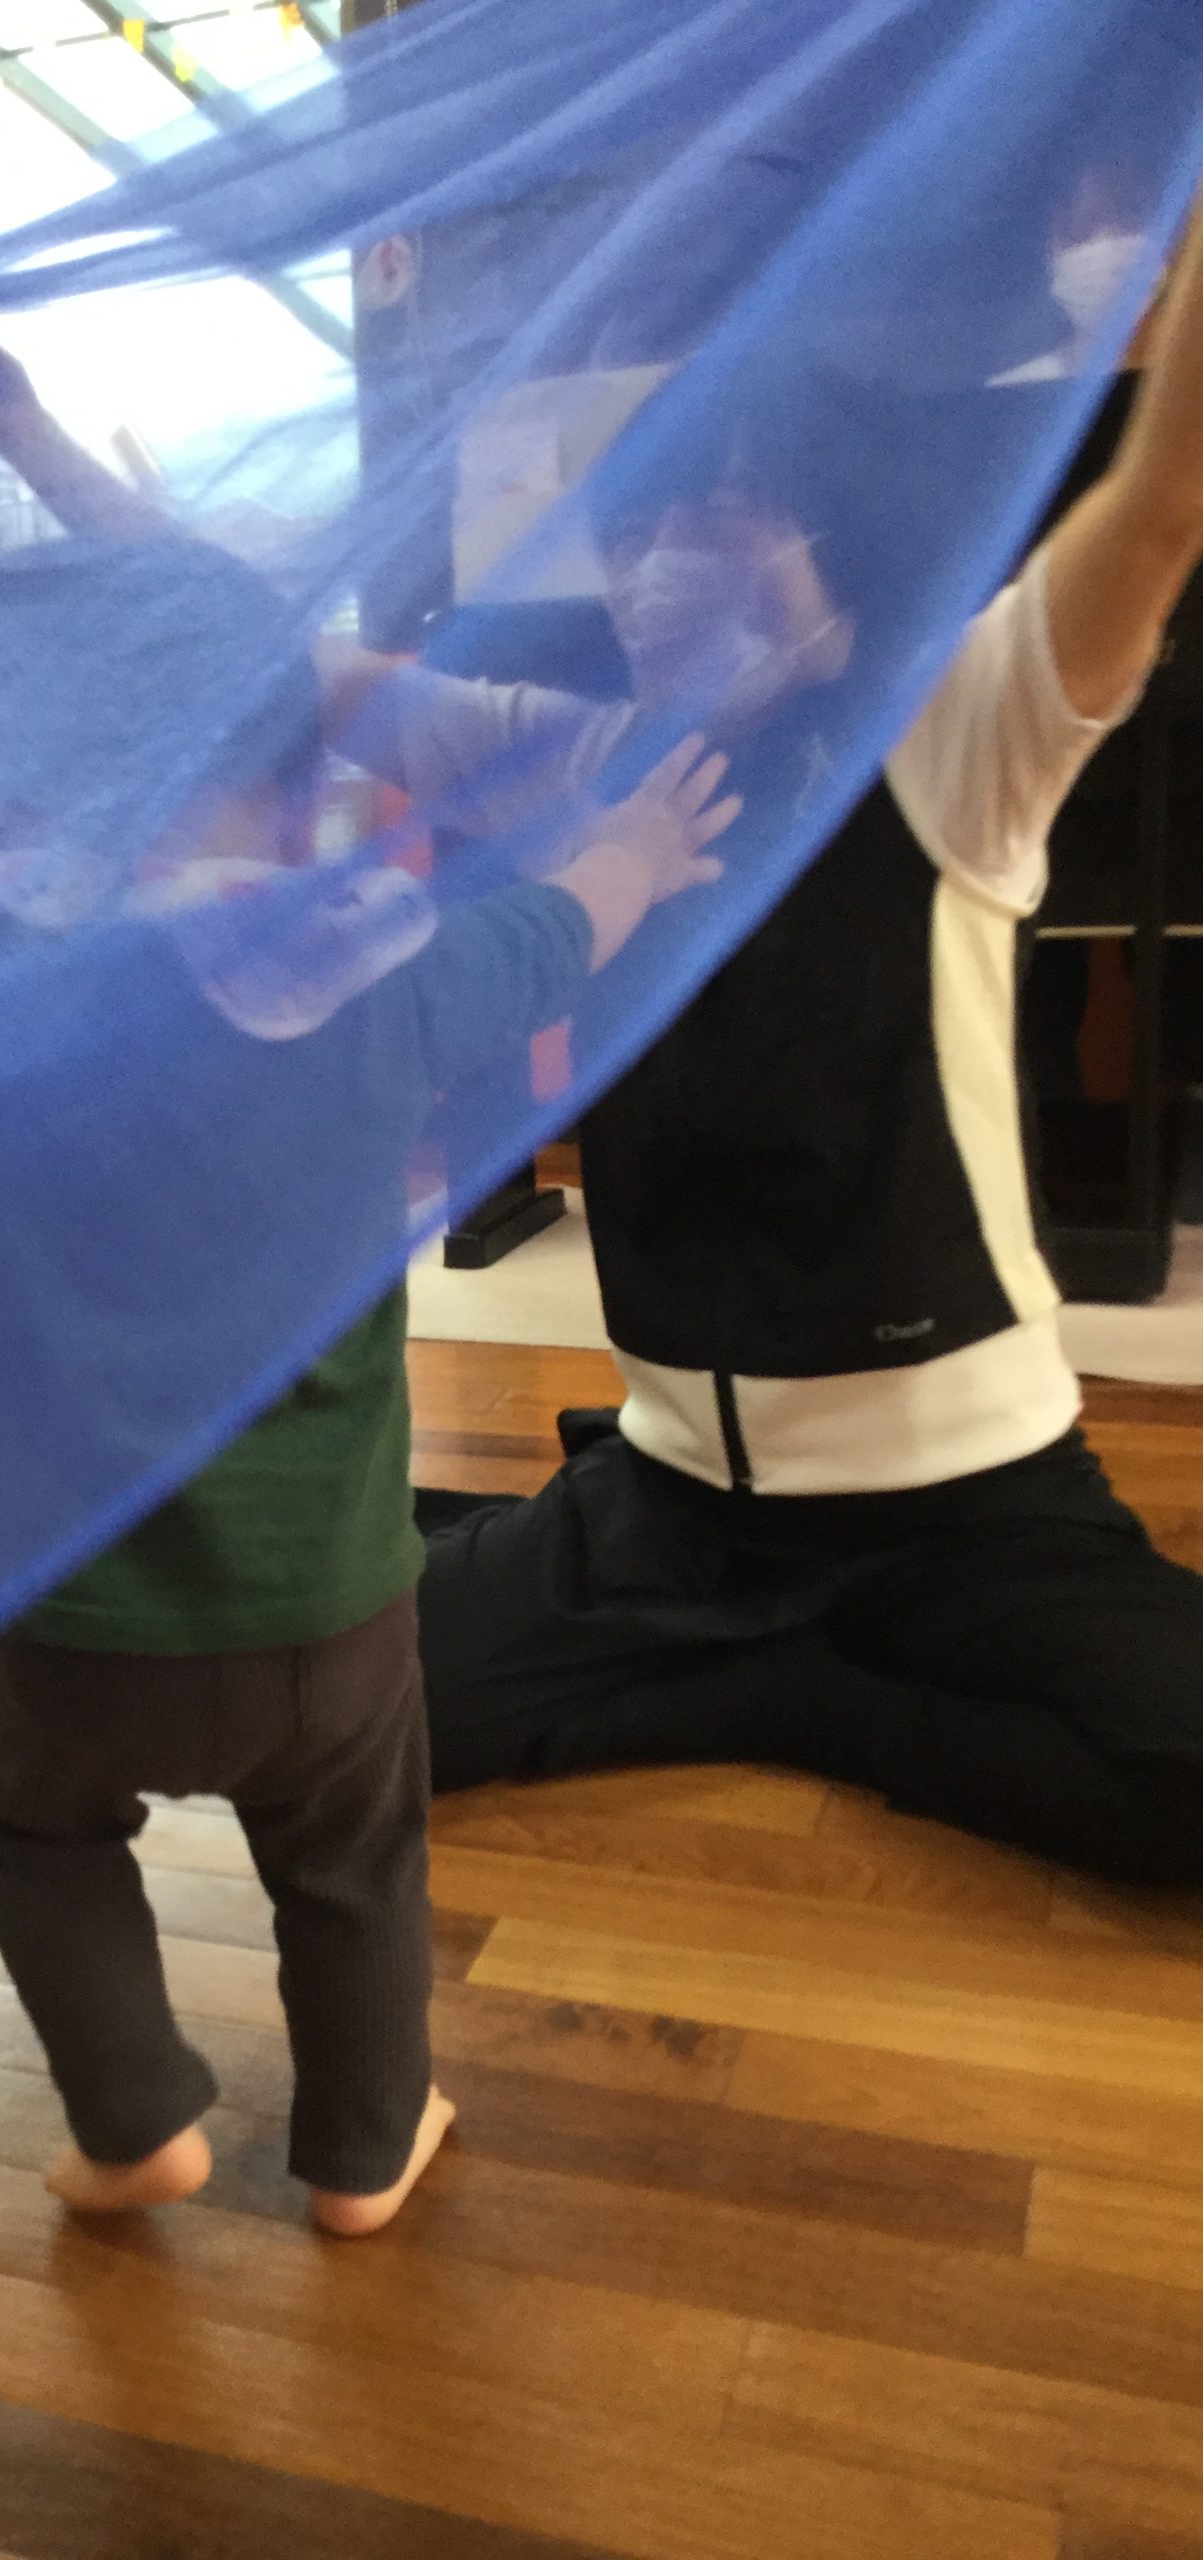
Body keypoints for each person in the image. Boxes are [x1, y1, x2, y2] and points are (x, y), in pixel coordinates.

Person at [0, 527, 740, 2234]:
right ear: (301, 773)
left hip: (78, 1617)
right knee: (353, 1866)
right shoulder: (374, 960)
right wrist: (642, 851)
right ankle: (367, 2149)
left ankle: (137, 2119)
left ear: (16, 792)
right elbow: (551, 932)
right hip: (332, 1607)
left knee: (35, 1831)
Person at [416, 197, 1203, 1888]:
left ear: (816, 527)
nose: (655, 572)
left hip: (968, 1511)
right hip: (674, 1507)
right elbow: (329, 693)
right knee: (366, 1714)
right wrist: (35, 446)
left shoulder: (957, 726)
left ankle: (797, 1697)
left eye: (707, 518)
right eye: (632, 537)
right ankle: (742, 1661)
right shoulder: (602, 759)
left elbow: (1160, 507)